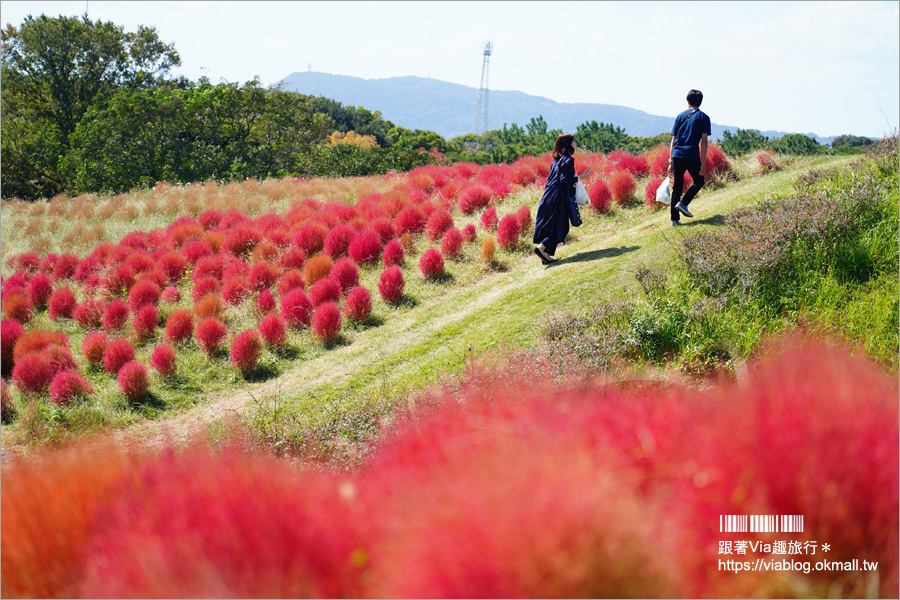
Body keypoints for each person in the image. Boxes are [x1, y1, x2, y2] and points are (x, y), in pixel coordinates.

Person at [533, 132, 591, 264]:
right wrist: (581, 178)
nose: (575, 144)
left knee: (553, 226)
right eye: (573, 141)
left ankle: (546, 256)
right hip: (559, 196)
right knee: (562, 227)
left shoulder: (556, 160)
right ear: (568, 144)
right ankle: (541, 248)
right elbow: (564, 180)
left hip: (549, 195)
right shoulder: (568, 160)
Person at [667, 89, 711, 226]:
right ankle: (683, 203)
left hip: (677, 155)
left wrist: (670, 161)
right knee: (699, 181)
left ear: (688, 102)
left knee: (677, 187)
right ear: (701, 102)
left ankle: (675, 220)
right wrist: (703, 162)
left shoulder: (680, 116)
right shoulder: (704, 117)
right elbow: (703, 141)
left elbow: (673, 140)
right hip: (691, 154)